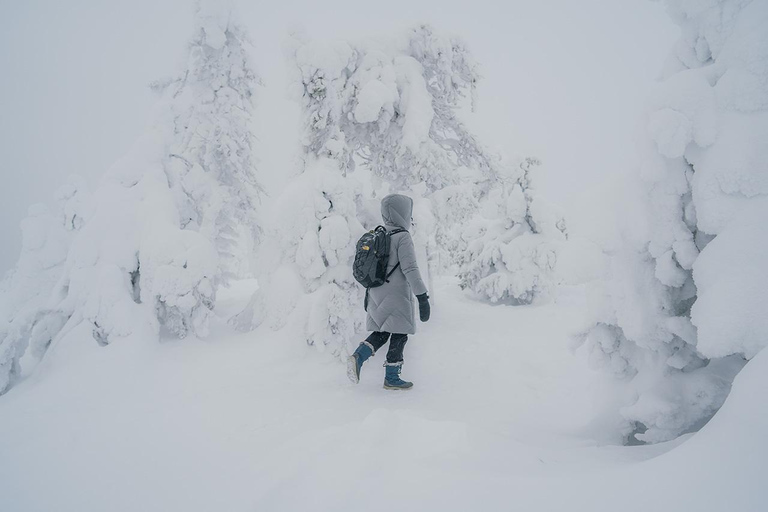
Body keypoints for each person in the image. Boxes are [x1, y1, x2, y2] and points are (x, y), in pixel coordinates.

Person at [347, 193, 430, 390]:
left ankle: (358, 356)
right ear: (402, 213)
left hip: (376, 293)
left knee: (382, 332)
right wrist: (422, 296)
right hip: (397, 296)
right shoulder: (402, 237)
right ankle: (392, 377)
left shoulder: (380, 235)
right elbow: (410, 269)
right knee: (400, 333)